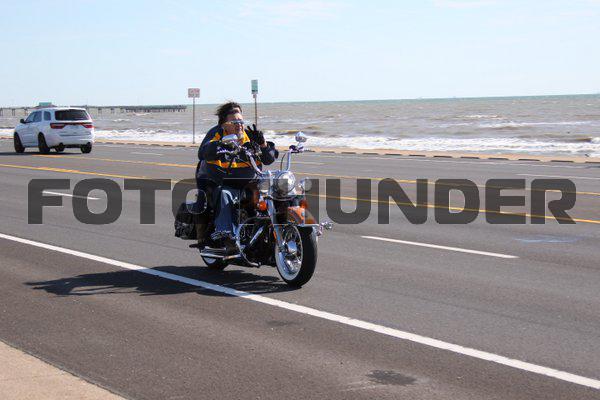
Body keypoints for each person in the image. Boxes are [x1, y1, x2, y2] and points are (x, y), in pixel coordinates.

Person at [199, 107, 277, 249]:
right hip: (227, 182)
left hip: (252, 184)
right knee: (225, 194)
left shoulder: (250, 136)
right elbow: (203, 152)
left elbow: (269, 159)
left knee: (280, 191)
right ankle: (227, 235)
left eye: (241, 121)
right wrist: (220, 145)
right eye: (234, 122)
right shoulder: (217, 133)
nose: (239, 125)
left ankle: (292, 228)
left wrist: (263, 144)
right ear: (224, 124)